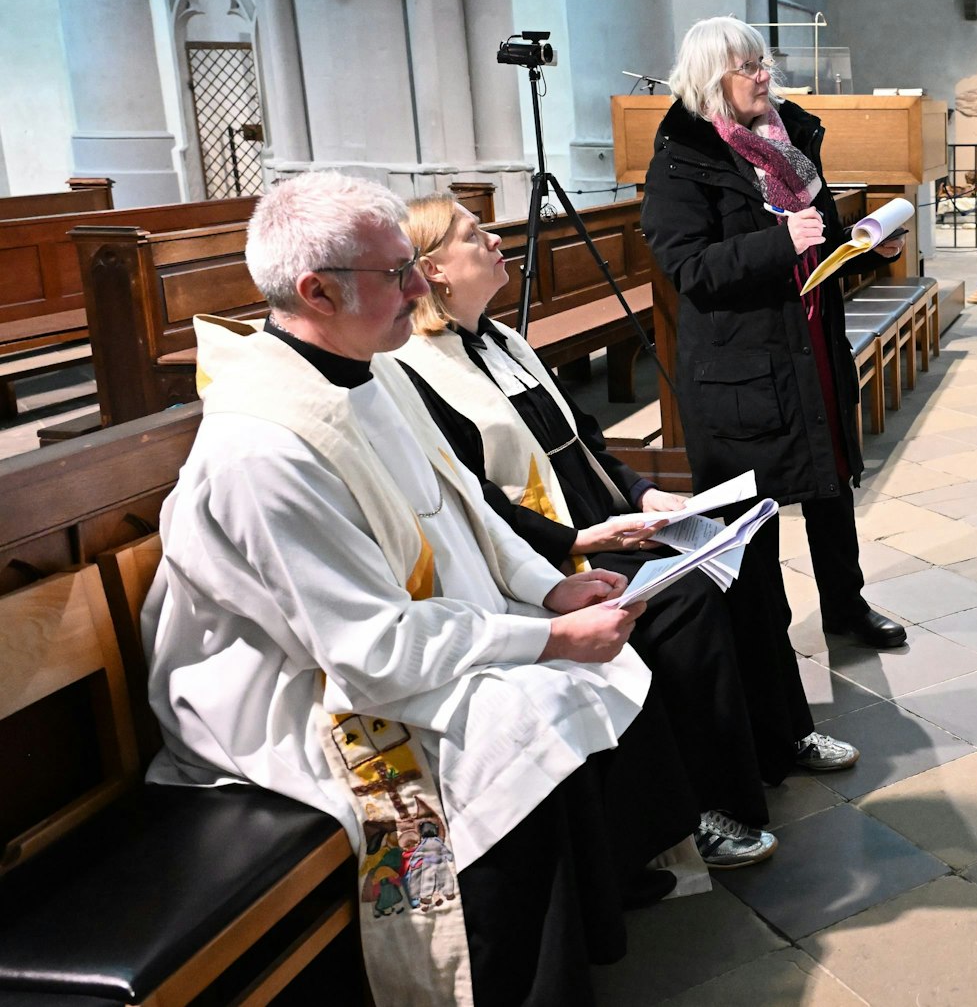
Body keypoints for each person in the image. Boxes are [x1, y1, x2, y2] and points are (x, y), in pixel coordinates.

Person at [143, 171, 692, 1005]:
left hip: (402, 639)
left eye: (413, 264)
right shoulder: (265, 446)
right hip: (295, 696)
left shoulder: (372, 366)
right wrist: (543, 638)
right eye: (397, 273)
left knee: (561, 688)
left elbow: (465, 501)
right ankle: (511, 981)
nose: (418, 286)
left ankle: (588, 929)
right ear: (315, 290)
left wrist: (548, 593)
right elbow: (369, 651)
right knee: (510, 729)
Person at [388, 193, 786, 868]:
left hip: (605, 523)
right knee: (683, 605)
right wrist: (580, 541)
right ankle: (699, 815)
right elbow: (474, 500)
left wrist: (644, 492)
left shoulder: (505, 339)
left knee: (742, 552)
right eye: (472, 234)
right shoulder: (415, 369)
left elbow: (585, 439)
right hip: (542, 551)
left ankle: (781, 742)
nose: (492, 239)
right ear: (435, 270)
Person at [640, 16, 905, 776]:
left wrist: (861, 249)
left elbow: (814, 249)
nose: (765, 73)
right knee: (753, 520)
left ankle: (847, 604)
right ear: (709, 77)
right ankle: (770, 652)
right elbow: (690, 269)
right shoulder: (684, 161)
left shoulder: (790, 141)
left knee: (830, 485)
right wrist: (778, 243)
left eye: (763, 61)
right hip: (741, 371)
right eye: (747, 65)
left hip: (807, 347)